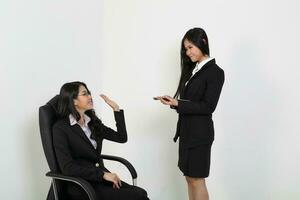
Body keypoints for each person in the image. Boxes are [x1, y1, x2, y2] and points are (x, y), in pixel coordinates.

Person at [154, 27, 224, 200]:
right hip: (188, 133)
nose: (187, 52)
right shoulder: (195, 70)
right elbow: (193, 102)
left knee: (197, 180)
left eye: (190, 47)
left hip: (200, 135)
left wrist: (179, 103)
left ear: (203, 43)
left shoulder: (215, 72)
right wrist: (174, 102)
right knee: (190, 179)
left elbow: (208, 106)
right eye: (185, 49)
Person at [53, 81, 149, 200]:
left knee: (141, 193)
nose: (90, 97)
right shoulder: (61, 128)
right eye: (85, 94)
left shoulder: (92, 122)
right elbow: (67, 167)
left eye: (89, 93)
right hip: (82, 185)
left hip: (99, 179)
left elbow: (121, 137)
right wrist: (103, 175)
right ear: (74, 101)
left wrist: (116, 109)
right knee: (138, 196)